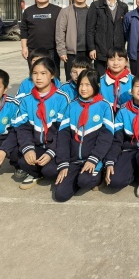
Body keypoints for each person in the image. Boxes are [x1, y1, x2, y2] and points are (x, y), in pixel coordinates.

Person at [54, 69, 114, 202]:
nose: (83, 88)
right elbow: (63, 136)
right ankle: (77, 177)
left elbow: (106, 138)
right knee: (60, 195)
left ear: (97, 86)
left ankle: (98, 174)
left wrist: (94, 158)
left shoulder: (104, 106)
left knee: (85, 181)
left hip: (94, 159)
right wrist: (63, 162)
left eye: (88, 85)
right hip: (74, 160)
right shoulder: (72, 106)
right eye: (81, 84)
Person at [14, 57, 71, 189]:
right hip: (37, 145)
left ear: (52, 75)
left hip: (56, 146)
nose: (38, 77)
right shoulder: (26, 100)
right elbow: (22, 128)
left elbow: (64, 131)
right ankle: (36, 173)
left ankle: (44, 170)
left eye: (43, 73)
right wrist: (28, 148)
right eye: (35, 73)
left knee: (50, 171)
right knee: (21, 159)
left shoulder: (62, 98)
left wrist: (51, 151)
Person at [86, 0, 128, 76]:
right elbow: (90, 29)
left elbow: (125, 28)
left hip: (118, 49)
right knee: (101, 77)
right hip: (101, 48)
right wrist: (92, 48)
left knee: (118, 76)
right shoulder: (96, 5)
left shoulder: (123, 7)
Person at [20, 0, 62, 80]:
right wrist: (24, 47)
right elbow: (24, 30)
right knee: (36, 76)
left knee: (53, 76)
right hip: (33, 50)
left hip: (53, 50)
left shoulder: (58, 10)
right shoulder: (28, 11)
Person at [55, 0, 90, 79]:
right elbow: (60, 32)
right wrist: (62, 51)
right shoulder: (65, 11)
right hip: (71, 52)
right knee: (71, 78)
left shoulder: (91, 10)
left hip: (87, 51)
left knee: (86, 78)